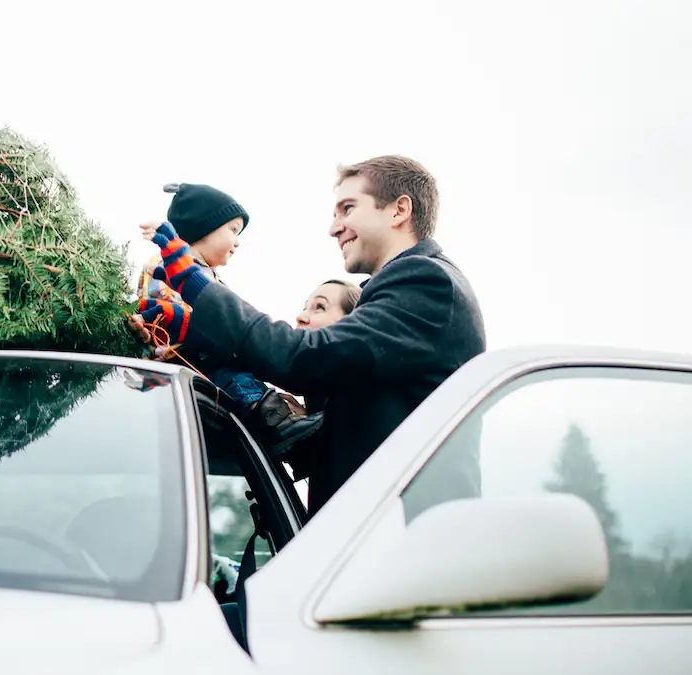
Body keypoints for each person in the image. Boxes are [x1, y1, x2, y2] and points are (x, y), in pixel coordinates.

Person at [134, 155, 486, 518]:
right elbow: (328, 436)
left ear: (399, 210)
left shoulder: (427, 281)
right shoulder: (397, 291)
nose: (334, 227)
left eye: (347, 209)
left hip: (401, 547)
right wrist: (196, 332)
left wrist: (195, 285)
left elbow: (302, 358)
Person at [136, 182, 308, 445]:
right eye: (233, 230)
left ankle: (276, 417)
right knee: (230, 373)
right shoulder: (167, 265)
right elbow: (169, 313)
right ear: (203, 228)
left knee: (241, 369)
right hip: (181, 358)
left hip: (203, 356)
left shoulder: (207, 273)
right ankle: (271, 419)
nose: (237, 242)